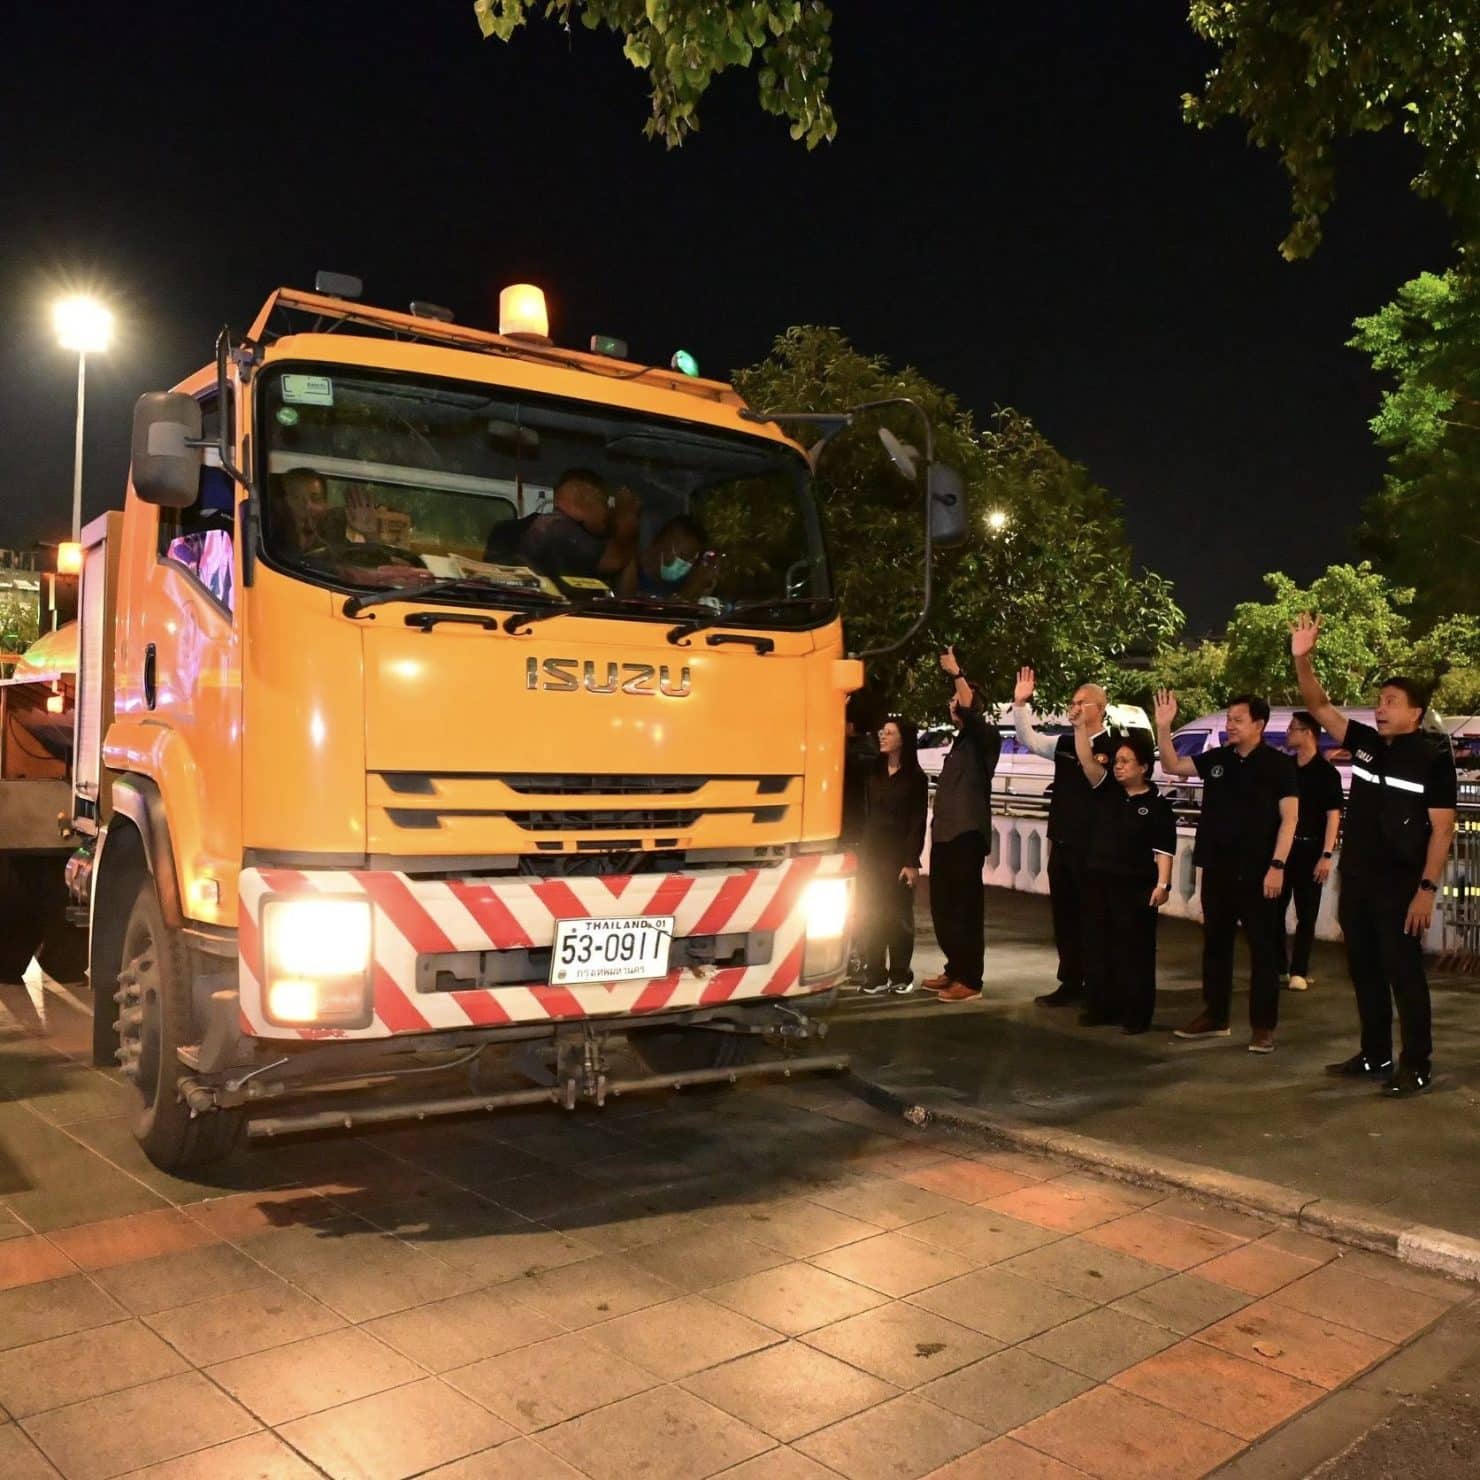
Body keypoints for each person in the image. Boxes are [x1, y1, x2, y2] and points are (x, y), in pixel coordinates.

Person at [1292, 614, 1458, 1096]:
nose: (1380, 709)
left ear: (1416, 713)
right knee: (1363, 970)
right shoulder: (1364, 743)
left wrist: (1426, 889)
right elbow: (1318, 705)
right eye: (1379, 701)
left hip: (1401, 883)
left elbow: (1443, 829)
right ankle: (1375, 1054)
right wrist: (1302, 658)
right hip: (1359, 877)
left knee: (1404, 974)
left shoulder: (1432, 758)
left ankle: (1417, 1063)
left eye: (1391, 702)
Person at [1155, 689, 1298, 1053]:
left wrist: (1277, 865)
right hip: (1217, 867)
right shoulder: (1218, 759)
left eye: (1238, 720)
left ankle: (1263, 1027)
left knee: (1263, 950)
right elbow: (1172, 765)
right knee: (1216, 945)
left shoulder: (1279, 766)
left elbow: (1289, 820)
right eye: (1229, 719)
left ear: (1259, 725)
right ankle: (1215, 1016)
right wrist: (1164, 727)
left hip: (1259, 871)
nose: (1230, 725)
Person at [1012, 667, 1118, 1008]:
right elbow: (1029, 739)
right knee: (1065, 917)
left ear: (1100, 708)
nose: (1074, 708)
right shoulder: (1063, 743)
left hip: (1095, 848)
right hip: (1062, 843)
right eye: (1072, 702)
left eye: (1081, 703)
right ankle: (1070, 981)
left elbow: (1096, 778)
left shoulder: (1112, 747)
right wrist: (1020, 705)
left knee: (1093, 918)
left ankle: (1098, 985)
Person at [1073, 726, 1176, 1033]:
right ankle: (1101, 1006)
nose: (1118, 766)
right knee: (1098, 946)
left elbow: (1164, 849)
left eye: (1126, 761)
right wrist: (1080, 727)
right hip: (1099, 880)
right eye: (1117, 761)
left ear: (1143, 767)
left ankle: (1136, 1014)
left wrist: (1163, 885)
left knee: (1134, 951)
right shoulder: (1108, 793)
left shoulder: (1157, 805)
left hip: (1135, 886)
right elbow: (1086, 760)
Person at [922, 647, 1002, 1003]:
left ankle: (970, 979)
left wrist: (957, 673)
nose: (953, 704)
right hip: (944, 835)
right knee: (943, 907)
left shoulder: (985, 738)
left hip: (966, 835)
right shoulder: (958, 743)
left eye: (958, 699)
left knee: (965, 909)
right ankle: (954, 967)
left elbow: (970, 711)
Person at [857, 717, 929, 995]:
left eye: (889, 733)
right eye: (882, 732)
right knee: (870, 913)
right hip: (871, 852)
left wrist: (911, 861)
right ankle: (874, 973)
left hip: (898, 854)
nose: (883, 736)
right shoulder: (873, 772)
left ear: (903, 739)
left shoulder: (915, 778)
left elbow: (917, 822)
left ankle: (900, 974)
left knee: (897, 916)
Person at [1278, 710, 1344, 991]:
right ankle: (1279, 966)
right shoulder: (1285, 768)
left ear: (1308, 734)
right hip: (1283, 849)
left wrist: (1326, 855)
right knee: (1274, 909)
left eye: (1293, 728)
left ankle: (1299, 970)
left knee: (1307, 914)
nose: (1288, 733)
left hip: (1310, 848)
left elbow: (1333, 816)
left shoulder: (1326, 773)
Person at [488, 469, 639, 584]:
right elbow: (615, 561)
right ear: (588, 501)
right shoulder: (557, 529)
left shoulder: (509, 528)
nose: (607, 513)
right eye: (604, 503)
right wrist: (626, 516)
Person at [626, 514, 720, 601]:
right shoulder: (628, 573)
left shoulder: (677, 584)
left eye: (692, 560)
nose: (688, 565)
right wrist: (688, 594)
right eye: (684, 557)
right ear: (663, 545)